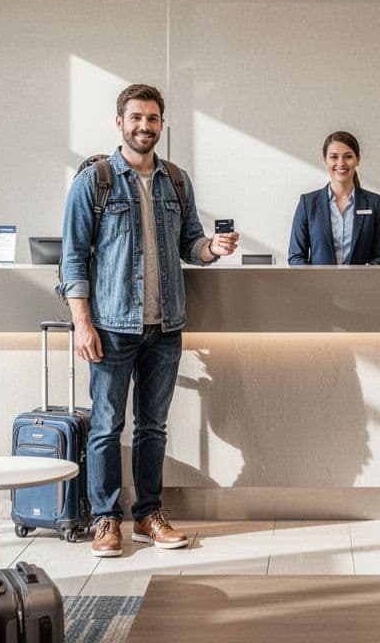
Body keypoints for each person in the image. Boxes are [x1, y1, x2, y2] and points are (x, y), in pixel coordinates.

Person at [59, 83, 239, 558]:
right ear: (120, 122)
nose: (145, 126)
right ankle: (105, 520)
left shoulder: (176, 180)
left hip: (166, 328)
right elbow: (72, 260)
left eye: (153, 119)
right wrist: (82, 321)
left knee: (153, 427)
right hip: (113, 325)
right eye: (136, 117)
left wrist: (212, 250)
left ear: (162, 125)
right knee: (105, 426)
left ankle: (147, 515)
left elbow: (191, 243)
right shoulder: (94, 181)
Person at [288, 131, 380, 265]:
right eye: (334, 157)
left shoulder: (375, 203)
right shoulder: (307, 204)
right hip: (319, 285)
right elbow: (295, 256)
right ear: (325, 161)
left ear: (358, 160)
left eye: (348, 156)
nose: (341, 163)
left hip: (361, 285)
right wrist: (314, 281)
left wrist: (365, 273)